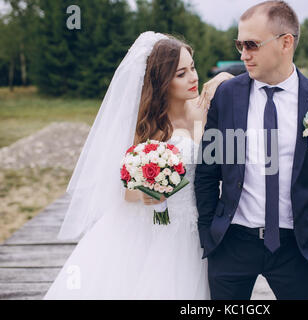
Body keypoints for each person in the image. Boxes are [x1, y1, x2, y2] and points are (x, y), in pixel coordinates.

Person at [194, 1, 308, 300]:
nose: (243, 54)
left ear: (286, 42)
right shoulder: (227, 96)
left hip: (298, 249)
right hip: (232, 244)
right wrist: (210, 231)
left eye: (252, 44)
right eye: (239, 44)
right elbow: (207, 172)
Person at [43, 32, 233, 299]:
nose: (193, 77)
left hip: (200, 224)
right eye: (181, 74)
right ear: (162, 81)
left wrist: (223, 78)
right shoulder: (146, 128)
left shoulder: (205, 109)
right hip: (160, 228)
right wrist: (149, 191)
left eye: (193, 67)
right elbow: (124, 189)